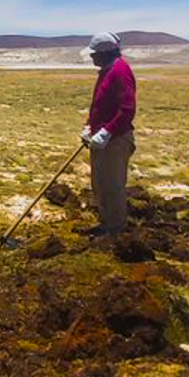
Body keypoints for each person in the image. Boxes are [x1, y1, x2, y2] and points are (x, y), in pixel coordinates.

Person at [80, 31, 136, 236]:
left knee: (112, 187)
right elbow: (101, 105)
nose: (91, 57)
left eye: (94, 53)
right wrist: (89, 126)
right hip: (102, 140)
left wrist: (106, 132)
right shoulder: (107, 70)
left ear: (106, 53)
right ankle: (107, 225)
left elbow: (127, 109)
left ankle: (115, 232)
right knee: (101, 185)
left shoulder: (120, 71)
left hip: (115, 140)